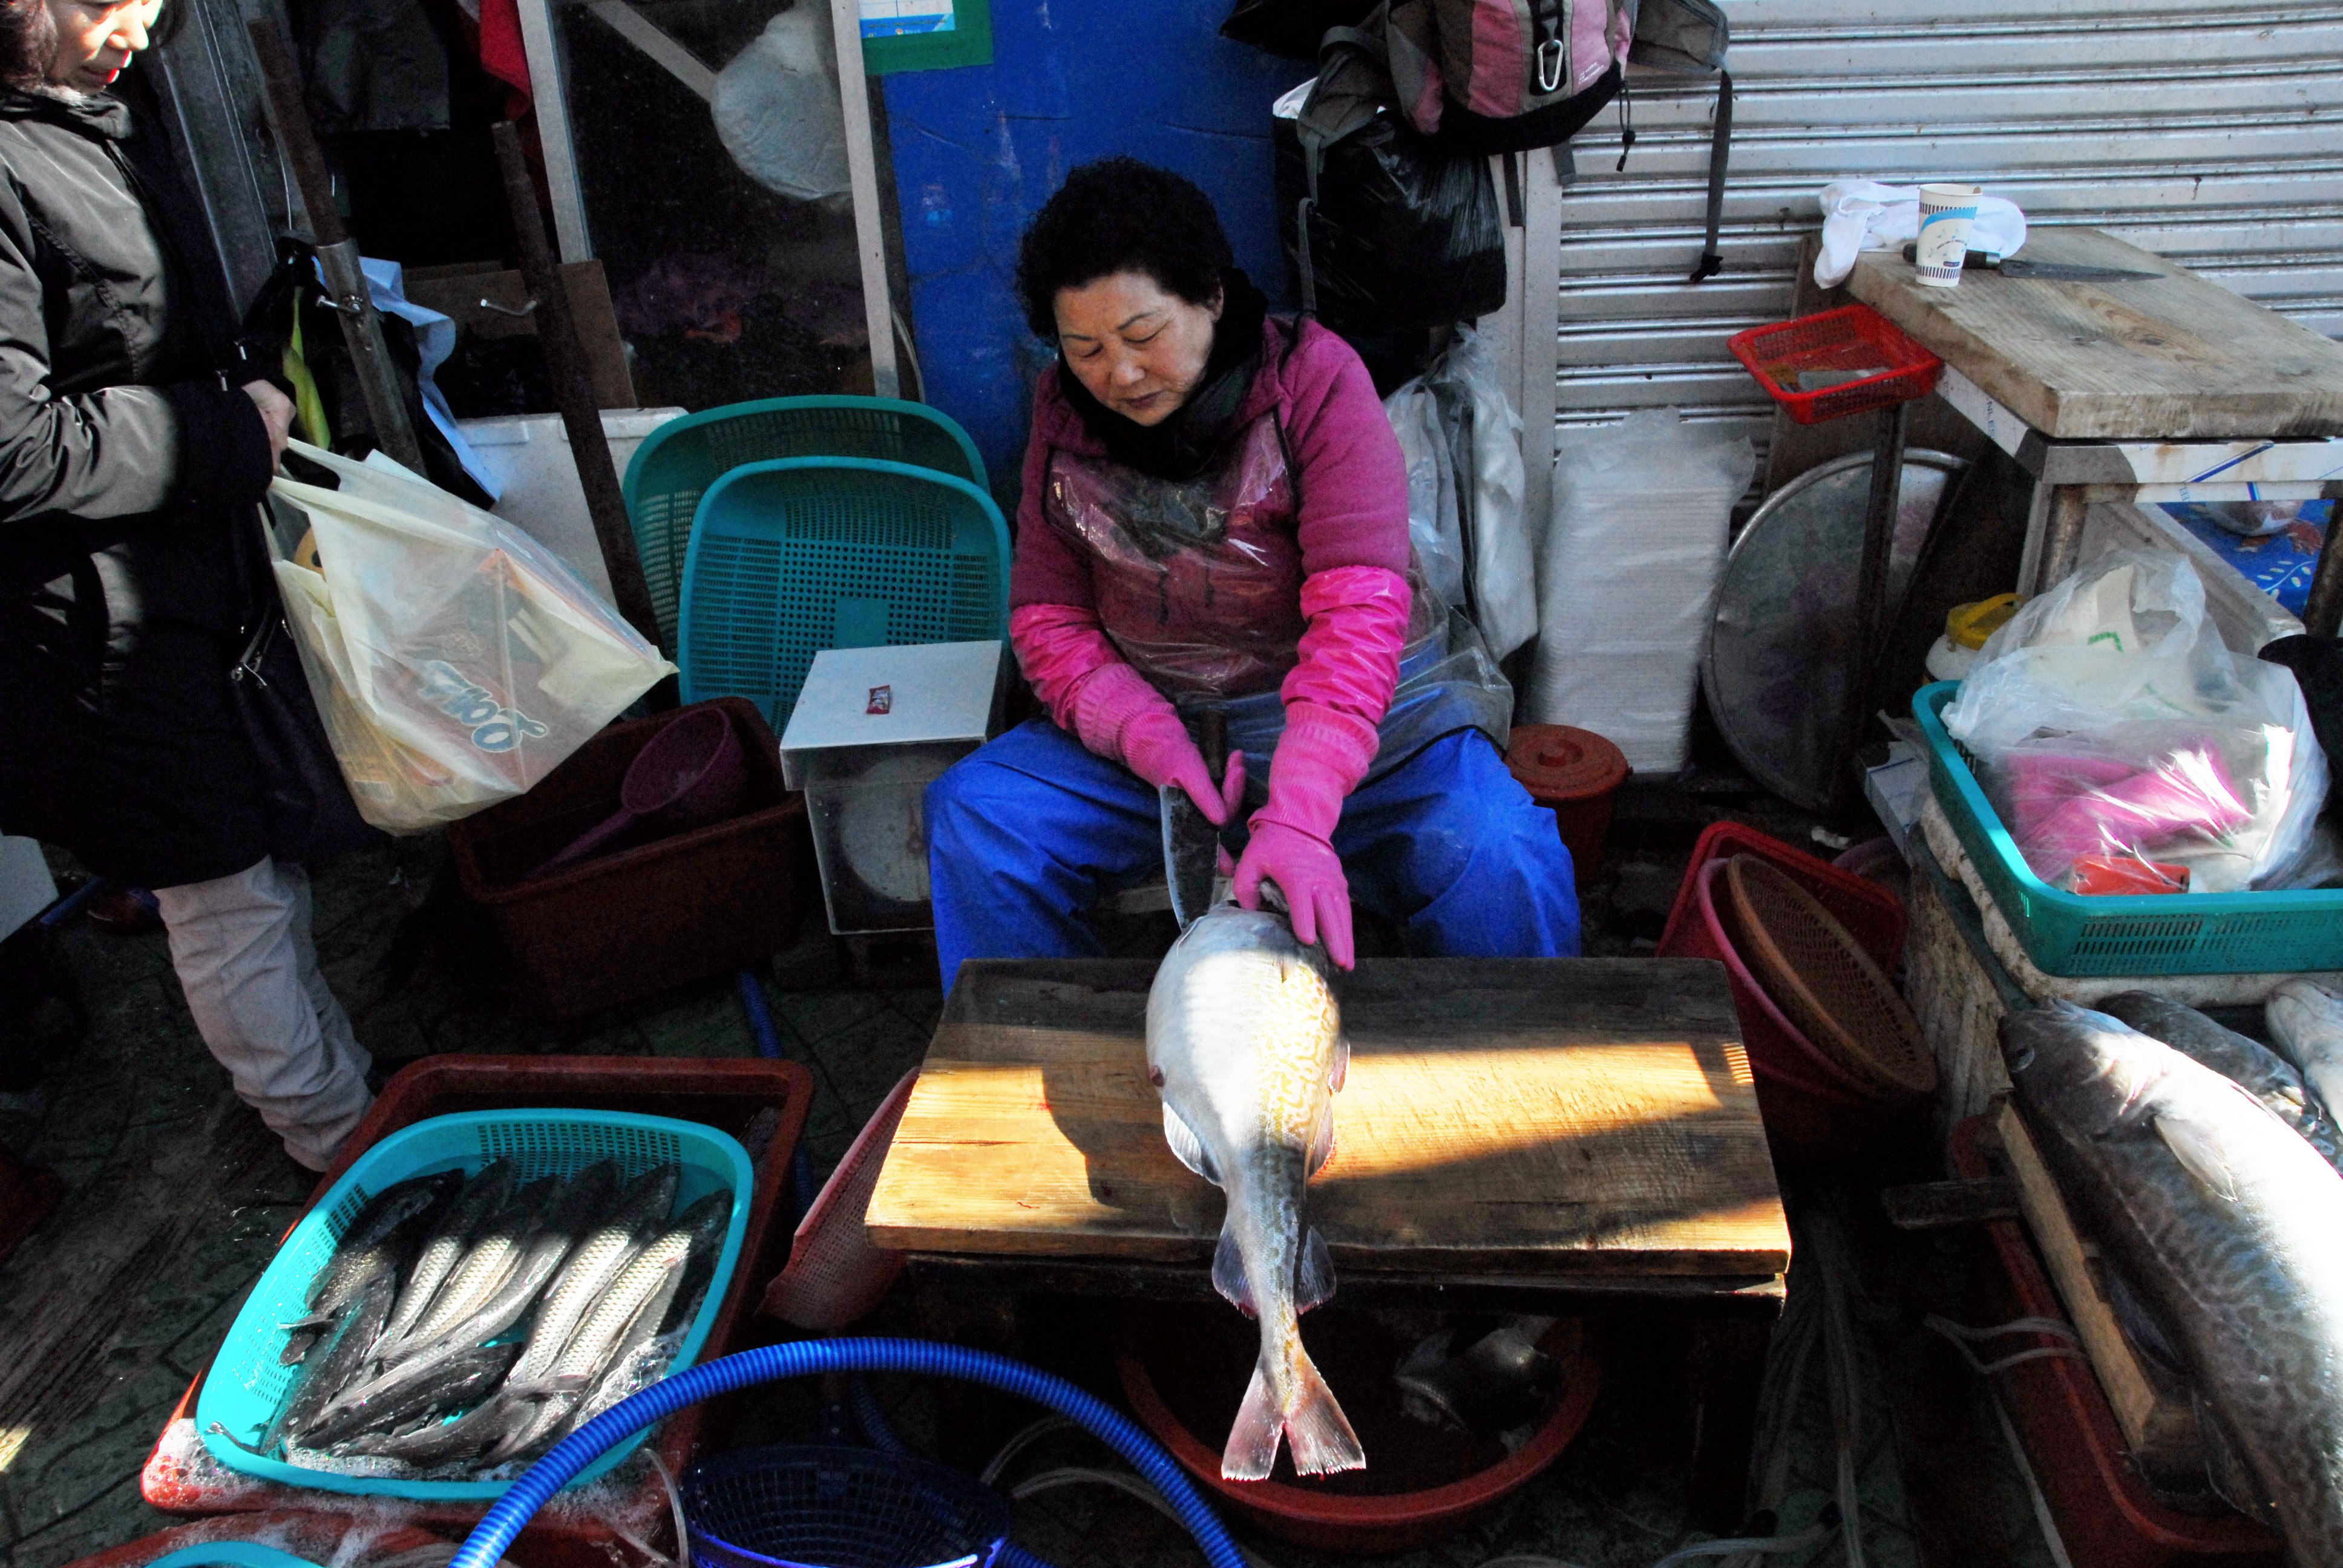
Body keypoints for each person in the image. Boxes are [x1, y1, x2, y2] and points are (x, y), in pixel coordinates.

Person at [926, 157, 1579, 985]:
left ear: (1212, 296)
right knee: (979, 819)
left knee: (1500, 851)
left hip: (1371, 731)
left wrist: (1301, 814)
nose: (1118, 374)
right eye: (1085, 348)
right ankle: (1034, 1046)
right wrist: (1146, 737)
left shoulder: (1313, 383)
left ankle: (1524, 1054)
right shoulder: (1063, 414)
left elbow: (1356, 616)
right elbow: (1049, 620)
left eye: (1142, 336)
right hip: (1162, 738)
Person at [0, 0, 373, 1169]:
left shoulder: (89, 116)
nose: (144, 21)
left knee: (257, 863)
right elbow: (12, 447)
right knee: (223, 892)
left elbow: (133, 332)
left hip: (182, 572)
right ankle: (335, 1142)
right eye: (108, 0)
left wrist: (246, 379)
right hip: (92, 620)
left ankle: (350, 1095)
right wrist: (222, 430)